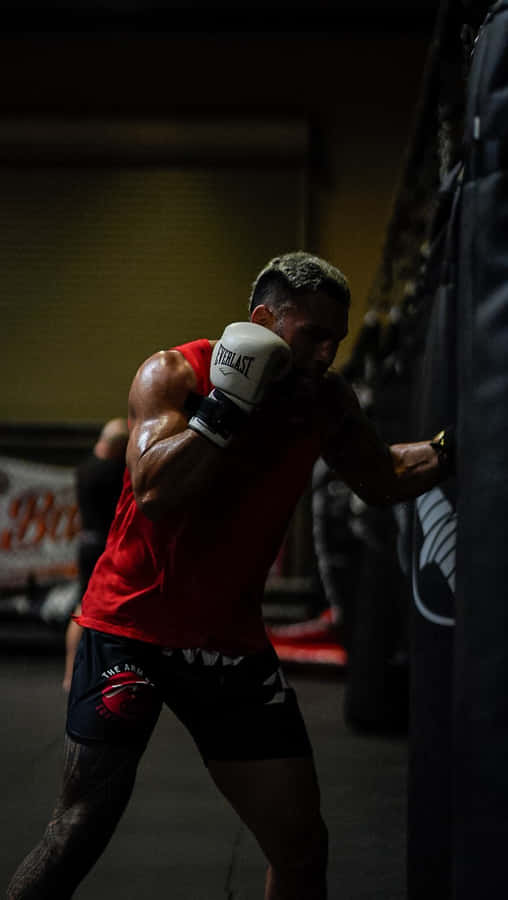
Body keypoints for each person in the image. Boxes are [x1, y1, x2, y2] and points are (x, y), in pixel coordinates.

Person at [7, 251, 453, 900]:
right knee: (79, 828)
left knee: (300, 845)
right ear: (264, 321)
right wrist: (229, 403)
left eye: (337, 339)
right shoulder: (172, 373)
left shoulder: (322, 399)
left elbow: (381, 476)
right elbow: (156, 491)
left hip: (227, 642)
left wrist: (458, 446)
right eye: (313, 337)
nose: (327, 355)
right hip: (131, 626)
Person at [62, 418, 129, 692]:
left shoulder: (85, 467)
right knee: (92, 609)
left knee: (83, 605)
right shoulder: (112, 472)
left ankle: (70, 675)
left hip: (87, 543)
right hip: (103, 546)